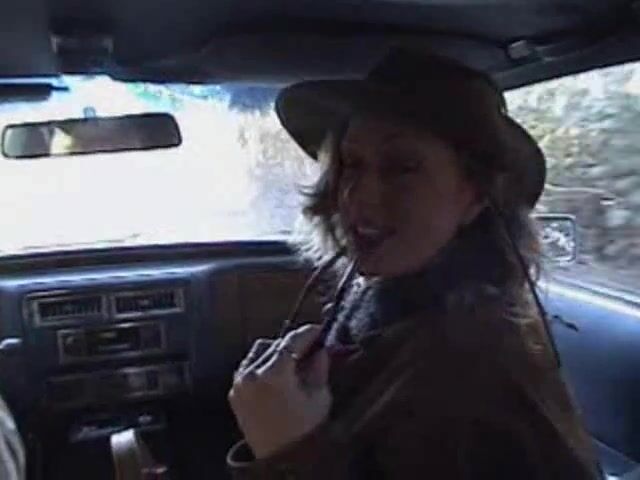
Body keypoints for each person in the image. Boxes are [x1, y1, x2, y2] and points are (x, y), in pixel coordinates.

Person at [226, 48, 602, 478]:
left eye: (403, 167)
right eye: (351, 164)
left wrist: (287, 450)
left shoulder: (471, 371)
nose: (357, 196)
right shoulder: (395, 307)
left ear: (474, 197)